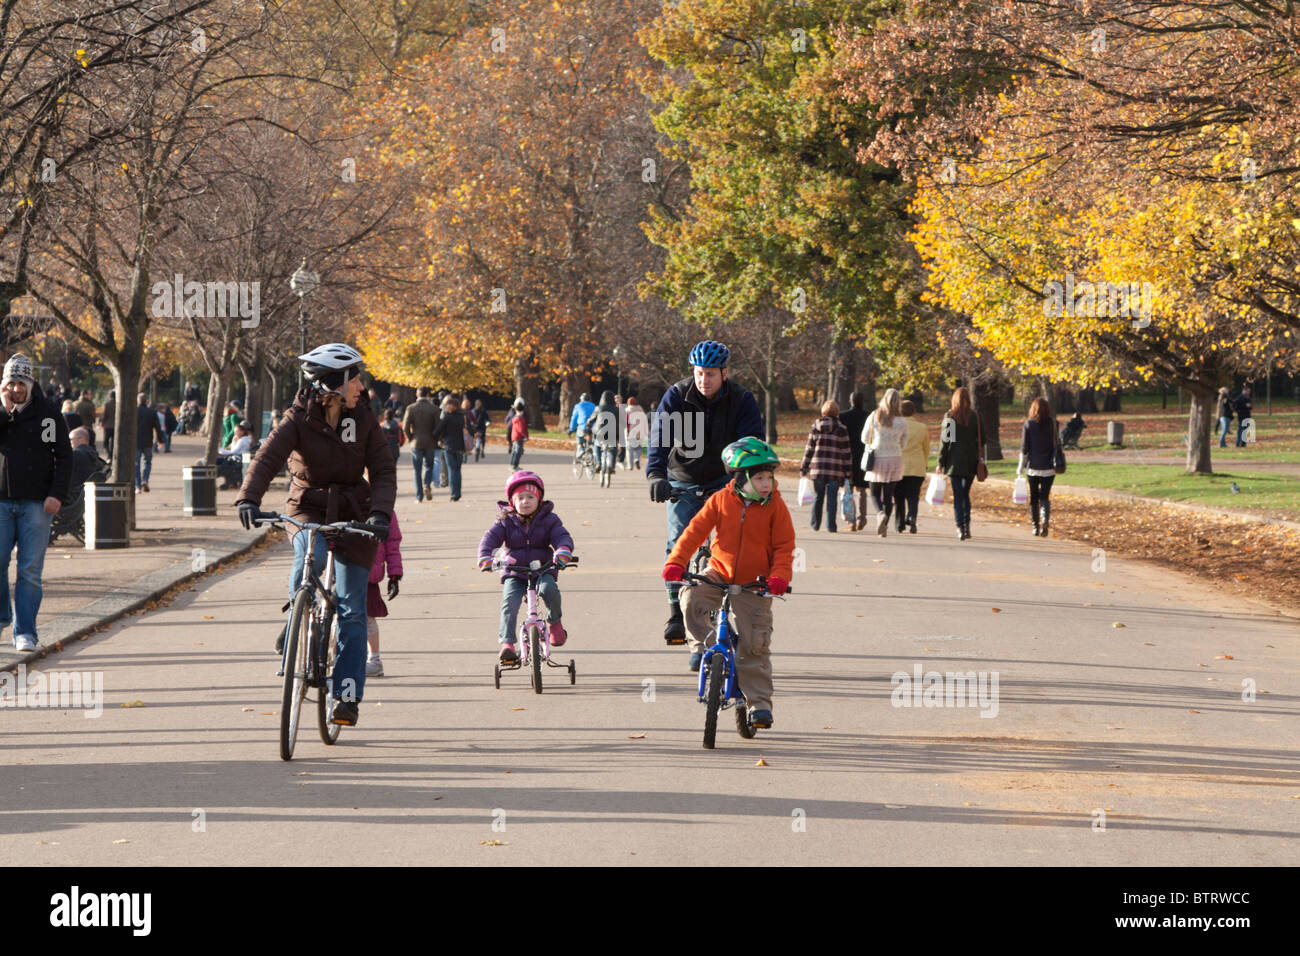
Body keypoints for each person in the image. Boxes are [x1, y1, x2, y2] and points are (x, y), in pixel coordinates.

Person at [236, 342, 397, 728]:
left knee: (353, 612)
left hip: (356, 514)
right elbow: (267, 457)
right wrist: (248, 498)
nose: (361, 386)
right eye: (354, 378)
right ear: (334, 383)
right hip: (307, 505)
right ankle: (297, 617)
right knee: (312, 551)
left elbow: (383, 471)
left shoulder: (365, 419)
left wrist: (379, 514)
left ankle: (345, 697)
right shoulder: (297, 419)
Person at [662, 437, 793, 727]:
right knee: (690, 596)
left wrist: (779, 577)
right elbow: (694, 533)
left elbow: (784, 546)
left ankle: (759, 705)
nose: (766, 483)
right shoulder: (720, 500)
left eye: (769, 477)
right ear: (741, 478)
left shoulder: (775, 507)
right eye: (759, 477)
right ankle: (702, 647)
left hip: (756, 583)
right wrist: (676, 561)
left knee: (754, 646)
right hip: (718, 573)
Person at [647, 339, 764, 645]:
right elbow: (660, 436)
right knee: (678, 544)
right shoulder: (677, 396)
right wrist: (656, 474)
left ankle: (724, 612)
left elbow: (752, 442)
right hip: (683, 480)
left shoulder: (741, 399)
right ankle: (675, 612)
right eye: (699, 373)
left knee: (729, 546)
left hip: (724, 483)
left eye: (710, 374)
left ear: (725, 373)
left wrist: (747, 480)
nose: (704, 380)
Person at [0, 354, 72, 652]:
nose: (16, 389)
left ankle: (25, 631)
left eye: (21, 383)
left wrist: (56, 494)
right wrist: (5, 412)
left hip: (37, 504)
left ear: (30, 384)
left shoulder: (48, 415)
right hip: (1, 502)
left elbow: (64, 457)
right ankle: (2, 617)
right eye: (10, 383)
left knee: (29, 570)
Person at [477, 471, 574, 663]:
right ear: (512, 502)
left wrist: (563, 550)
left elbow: (562, 536)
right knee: (509, 603)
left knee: (549, 590)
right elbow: (489, 539)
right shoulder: (505, 521)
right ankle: (507, 644)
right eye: (520, 497)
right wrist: (485, 557)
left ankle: (554, 622)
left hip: (543, 568)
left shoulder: (549, 519)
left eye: (530, 497)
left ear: (539, 499)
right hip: (515, 571)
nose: (525, 501)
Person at [937, 386, 983, 541]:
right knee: (965, 494)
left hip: (954, 462)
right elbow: (982, 439)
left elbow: (946, 441)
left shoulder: (950, 416)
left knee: (958, 496)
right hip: (971, 461)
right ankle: (967, 525)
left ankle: (960, 527)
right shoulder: (975, 417)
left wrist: (940, 462)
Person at [861, 388, 908, 537]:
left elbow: (864, 437)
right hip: (895, 459)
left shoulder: (875, 416)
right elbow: (904, 443)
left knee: (874, 492)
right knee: (888, 495)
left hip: (877, 457)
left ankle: (880, 514)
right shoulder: (902, 421)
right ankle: (884, 527)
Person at [799, 400, 851, 533]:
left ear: (823, 411)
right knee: (832, 498)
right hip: (835, 470)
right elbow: (846, 452)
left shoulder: (815, 427)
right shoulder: (842, 429)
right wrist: (848, 472)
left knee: (818, 496)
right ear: (837, 412)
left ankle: (815, 524)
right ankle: (831, 526)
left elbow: (809, 449)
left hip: (818, 469)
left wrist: (804, 467)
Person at [365, 510, 403, 678]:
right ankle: (334, 659)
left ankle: (375, 660)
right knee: (338, 618)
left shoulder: (384, 508)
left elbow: (392, 543)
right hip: (344, 567)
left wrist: (394, 575)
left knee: (368, 618)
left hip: (369, 574)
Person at [1017, 397, 1059, 537]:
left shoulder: (1028, 424)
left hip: (1033, 467)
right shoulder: (1054, 424)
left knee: (1034, 497)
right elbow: (1056, 443)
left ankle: (1035, 526)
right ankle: (1045, 520)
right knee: (1045, 496)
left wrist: (1020, 467)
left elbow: (1024, 448)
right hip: (1049, 467)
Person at [893, 399, 930, 534]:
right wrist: (925, 465)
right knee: (913, 496)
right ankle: (912, 517)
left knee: (898, 496)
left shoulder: (895, 426)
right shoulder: (921, 427)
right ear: (913, 411)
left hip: (898, 466)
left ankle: (899, 524)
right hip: (917, 467)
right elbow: (926, 448)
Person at [401, 386, 440, 502]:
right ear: (428, 395)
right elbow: (438, 426)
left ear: (417, 395)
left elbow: (405, 426)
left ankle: (419, 496)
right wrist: (435, 438)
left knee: (417, 470)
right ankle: (427, 484)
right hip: (429, 441)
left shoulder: (411, 408)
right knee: (429, 466)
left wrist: (410, 438)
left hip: (416, 442)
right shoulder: (434, 409)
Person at [839, 392, 870, 531]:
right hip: (863, 456)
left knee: (848, 488)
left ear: (850, 401)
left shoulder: (843, 416)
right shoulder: (868, 416)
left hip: (846, 455)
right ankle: (861, 519)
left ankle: (850, 520)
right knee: (862, 490)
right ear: (863, 401)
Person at [430, 395, 467, 501]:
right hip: (460, 446)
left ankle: (454, 493)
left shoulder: (447, 417)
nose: (446, 407)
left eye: (448, 405)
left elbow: (437, 431)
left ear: (453, 406)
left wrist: (440, 438)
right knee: (458, 470)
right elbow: (470, 429)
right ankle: (458, 492)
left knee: (452, 469)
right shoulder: (462, 417)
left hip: (449, 446)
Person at [588, 389, 622, 487]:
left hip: (600, 433)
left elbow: (592, 419)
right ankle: (611, 466)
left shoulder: (599, 408)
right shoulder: (617, 409)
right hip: (612, 434)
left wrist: (589, 424)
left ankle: (598, 463)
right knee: (613, 449)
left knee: (597, 446)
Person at [134, 394, 165, 493]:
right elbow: (157, 428)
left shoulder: (134, 412)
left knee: (136, 464)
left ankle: (137, 486)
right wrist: (160, 440)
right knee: (147, 462)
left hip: (136, 442)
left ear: (138, 401)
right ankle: (145, 480)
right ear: (146, 401)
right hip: (148, 441)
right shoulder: (152, 412)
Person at [216, 421, 253, 489]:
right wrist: (234, 441)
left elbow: (233, 451)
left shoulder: (243, 440)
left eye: (237, 431)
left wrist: (219, 450)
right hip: (235, 458)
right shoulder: (240, 439)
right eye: (234, 431)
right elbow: (232, 450)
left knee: (217, 461)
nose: (235, 433)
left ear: (242, 432)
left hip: (236, 460)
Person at [568, 392, 597, 465]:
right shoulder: (594, 406)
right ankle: (592, 451)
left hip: (582, 426)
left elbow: (574, 418)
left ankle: (581, 449)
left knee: (579, 438)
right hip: (593, 427)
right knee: (591, 441)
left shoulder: (578, 406)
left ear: (581, 399)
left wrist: (571, 429)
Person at [624, 396, 648, 469]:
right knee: (639, 448)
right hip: (640, 433)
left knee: (629, 449)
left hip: (630, 432)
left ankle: (630, 466)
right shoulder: (641, 411)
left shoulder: (626, 411)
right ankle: (637, 459)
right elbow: (645, 423)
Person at [508, 398, 528, 469]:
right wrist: (525, 436)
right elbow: (521, 429)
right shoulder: (520, 419)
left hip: (514, 436)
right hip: (519, 437)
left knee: (514, 450)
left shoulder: (514, 418)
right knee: (518, 451)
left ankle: (512, 463)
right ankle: (515, 465)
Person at [100, 390, 116, 459]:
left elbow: (104, 415)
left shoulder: (107, 404)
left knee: (105, 443)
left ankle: (109, 454)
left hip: (108, 426)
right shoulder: (118, 403)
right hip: (115, 426)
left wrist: (101, 422)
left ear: (110, 396)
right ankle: (111, 454)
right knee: (113, 442)